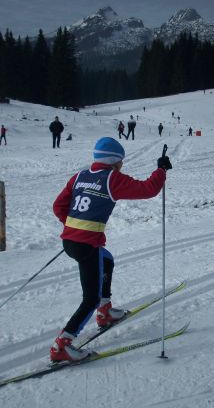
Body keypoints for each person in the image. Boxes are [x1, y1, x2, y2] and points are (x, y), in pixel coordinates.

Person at [50, 137, 173, 361]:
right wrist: (161, 170)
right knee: (90, 299)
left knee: (106, 260)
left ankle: (105, 312)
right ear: (114, 162)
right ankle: (62, 345)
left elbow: (58, 206)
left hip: (71, 241)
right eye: (121, 162)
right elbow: (147, 189)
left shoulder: (79, 177)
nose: (122, 166)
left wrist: (74, 228)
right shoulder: (112, 179)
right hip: (86, 245)